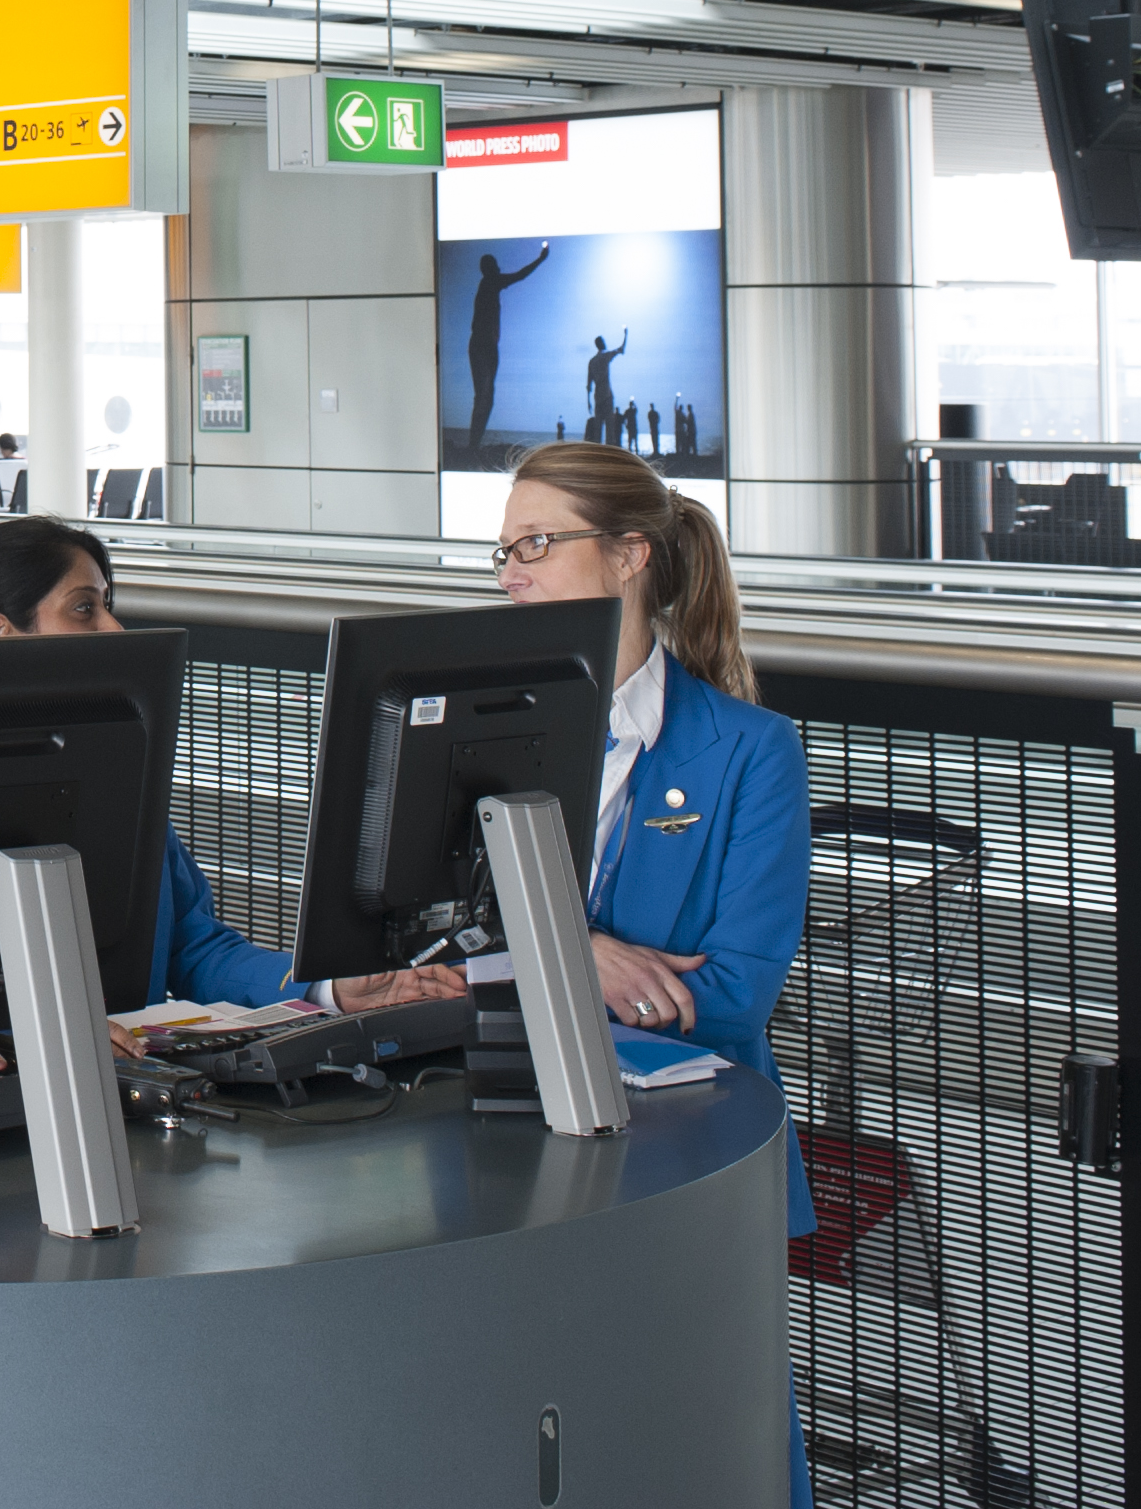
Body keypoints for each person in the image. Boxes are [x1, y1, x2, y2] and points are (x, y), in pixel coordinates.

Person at [489, 438, 815, 1507]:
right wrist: (572, 953)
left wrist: (523, 962)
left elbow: (724, 996)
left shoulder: (748, 751)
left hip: (683, 1161)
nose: (513, 571)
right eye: (501, 552)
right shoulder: (479, 732)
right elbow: (419, 955)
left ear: (628, 555)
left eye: (535, 543)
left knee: (707, 1442)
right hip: (503, 1140)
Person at [0, 515, 453, 1018]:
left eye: (107, 606)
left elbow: (195, 951)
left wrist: (330, 988)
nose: (114, 629)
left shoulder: (122, 780)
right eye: (83, 609)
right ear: (1, 633)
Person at [460, 240, 550, 461]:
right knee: (484, 395)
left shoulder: (489, 283)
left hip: (486, 345)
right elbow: (519, 275)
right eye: (494, 265)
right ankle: (473, 446)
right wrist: (540, 259)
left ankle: (474, 444)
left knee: (485, 396)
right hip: (482, 344)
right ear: (489, 268)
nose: (498, 267)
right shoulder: (490, 282)